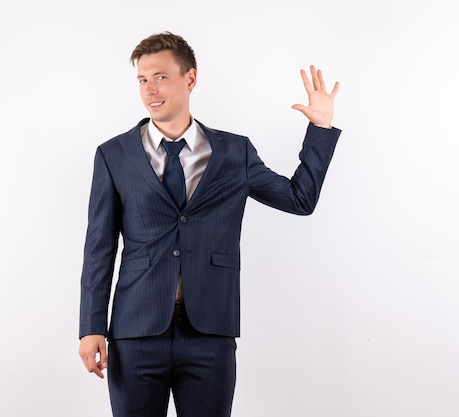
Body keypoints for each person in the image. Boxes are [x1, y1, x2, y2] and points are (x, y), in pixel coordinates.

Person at [78, 31, 341, 417]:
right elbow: (99, 248)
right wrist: (90, 326)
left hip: (210, 335)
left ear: (190, 79)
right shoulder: (113, 154)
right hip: (135, 333)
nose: (150, 89)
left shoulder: (234, 152)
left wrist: (319, 129)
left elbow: (299, 200)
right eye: (142, 79)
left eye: (161, 77)